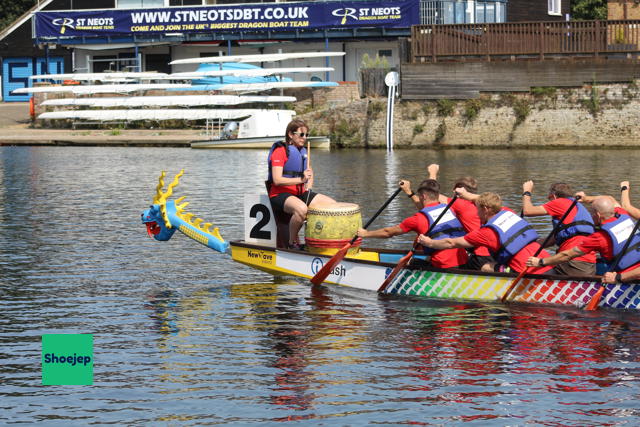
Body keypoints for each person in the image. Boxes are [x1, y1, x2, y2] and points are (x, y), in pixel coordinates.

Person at [418, 192, 553, 274]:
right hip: (544, 262)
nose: (477, 213)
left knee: (485, 267)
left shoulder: (487, 232)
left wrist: (429, 242)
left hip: (524, 271)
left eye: (478, 210)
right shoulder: (508, 212)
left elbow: (450, 242)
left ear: (486, 209)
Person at [357, 180, 468, 269]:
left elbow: (388, 232)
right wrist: (408, 191)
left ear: (423, 196)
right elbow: (425, 208)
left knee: (411, 262)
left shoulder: (417, 219)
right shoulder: (448, 209)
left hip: (442, 266)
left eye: (419, 196)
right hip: (463, 260)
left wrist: (366, 234)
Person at [402, 164, 493, 270]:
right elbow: (427, 207)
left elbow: (430, 193)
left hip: (479, 255)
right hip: (490, 252)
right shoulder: (481, 205)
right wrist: (410, 193)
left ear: (457, 191)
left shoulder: (460, 205)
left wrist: (432, 173)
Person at [526, 196, 640, 278]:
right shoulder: (623, 215)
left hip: (628, 277)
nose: (591, 217)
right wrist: (586, 198)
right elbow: (610, 198)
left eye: (592, 214)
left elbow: (568, 255)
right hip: (635, 271)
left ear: (598, 215)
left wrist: (541, 262)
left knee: (544, 272)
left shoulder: (599, 237)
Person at [267, 119, 335, 249]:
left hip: (300, 193)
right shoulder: (280, 151)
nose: (304, 138)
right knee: (301, 210)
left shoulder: (303, 152)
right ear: (290, 135)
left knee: (332, 205)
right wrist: (301, 180)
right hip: (279, 194)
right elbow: (277, 180)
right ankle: (292, 243)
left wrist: (308, 186)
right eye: (301, 134)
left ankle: (319, 240)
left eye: (306, 135)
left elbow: (310, 172)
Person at [521, 180, 596, 276]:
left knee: (533, 269)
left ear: (554, 196)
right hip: (588, 264)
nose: (549, 201)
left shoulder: (560, 202)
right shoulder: (577, 207)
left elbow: (528, 211)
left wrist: (527, 192)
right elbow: (552, 240)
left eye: (549, 198)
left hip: (572, 263)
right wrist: (530, 246)